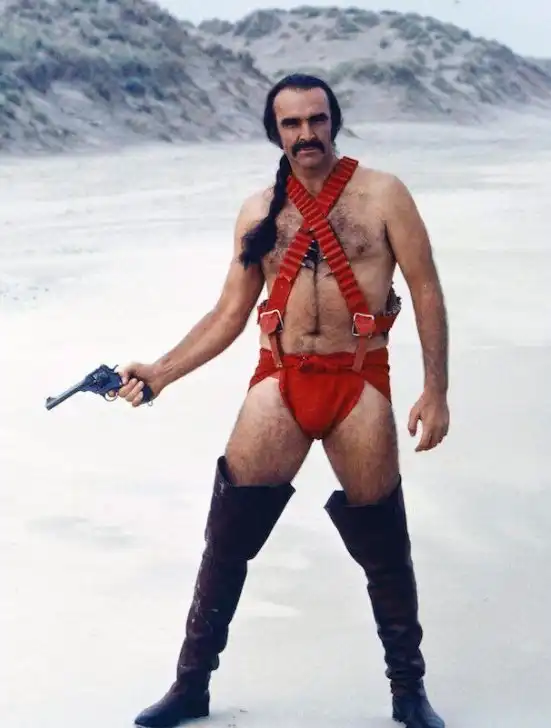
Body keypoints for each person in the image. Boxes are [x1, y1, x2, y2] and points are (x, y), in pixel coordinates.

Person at [117, 74, 450, 728]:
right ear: (275, 132)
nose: (306, 133)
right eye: (292, 123)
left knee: (384, 544)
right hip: (279, 379)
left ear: (334, 121)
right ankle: (190, 686)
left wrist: (435, 391)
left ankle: (409, 692)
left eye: (317, 119)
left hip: (358, 380)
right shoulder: (259, 211)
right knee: (227, 538)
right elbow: (228, 314)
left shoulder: (384, 195)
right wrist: (159, 373)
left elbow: (427, 290)